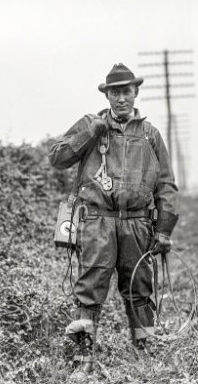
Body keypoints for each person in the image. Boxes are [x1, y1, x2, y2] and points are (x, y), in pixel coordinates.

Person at [48, 63, 179, 374]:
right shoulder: (90, 125)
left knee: (140, 289)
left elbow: (166, 185)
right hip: (97, 222)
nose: (121, 98)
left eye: (126, 91)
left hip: (136, 224)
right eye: (115, 92)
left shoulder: (150, 134)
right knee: (89, 290)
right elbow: (57, 158)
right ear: (107, 95)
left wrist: (163, 230)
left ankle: (144, 358)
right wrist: (89, 133)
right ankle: (82, 362)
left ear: (135, 93)